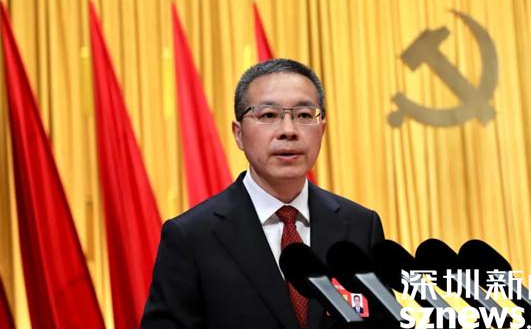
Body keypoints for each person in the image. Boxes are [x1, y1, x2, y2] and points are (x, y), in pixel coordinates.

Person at [141, 59, 385, 329]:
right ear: (239, 134)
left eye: (304, 115)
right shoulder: (191, 236)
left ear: (322, 130)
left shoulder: (361, 226)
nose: (288, 131)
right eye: (269, 115)